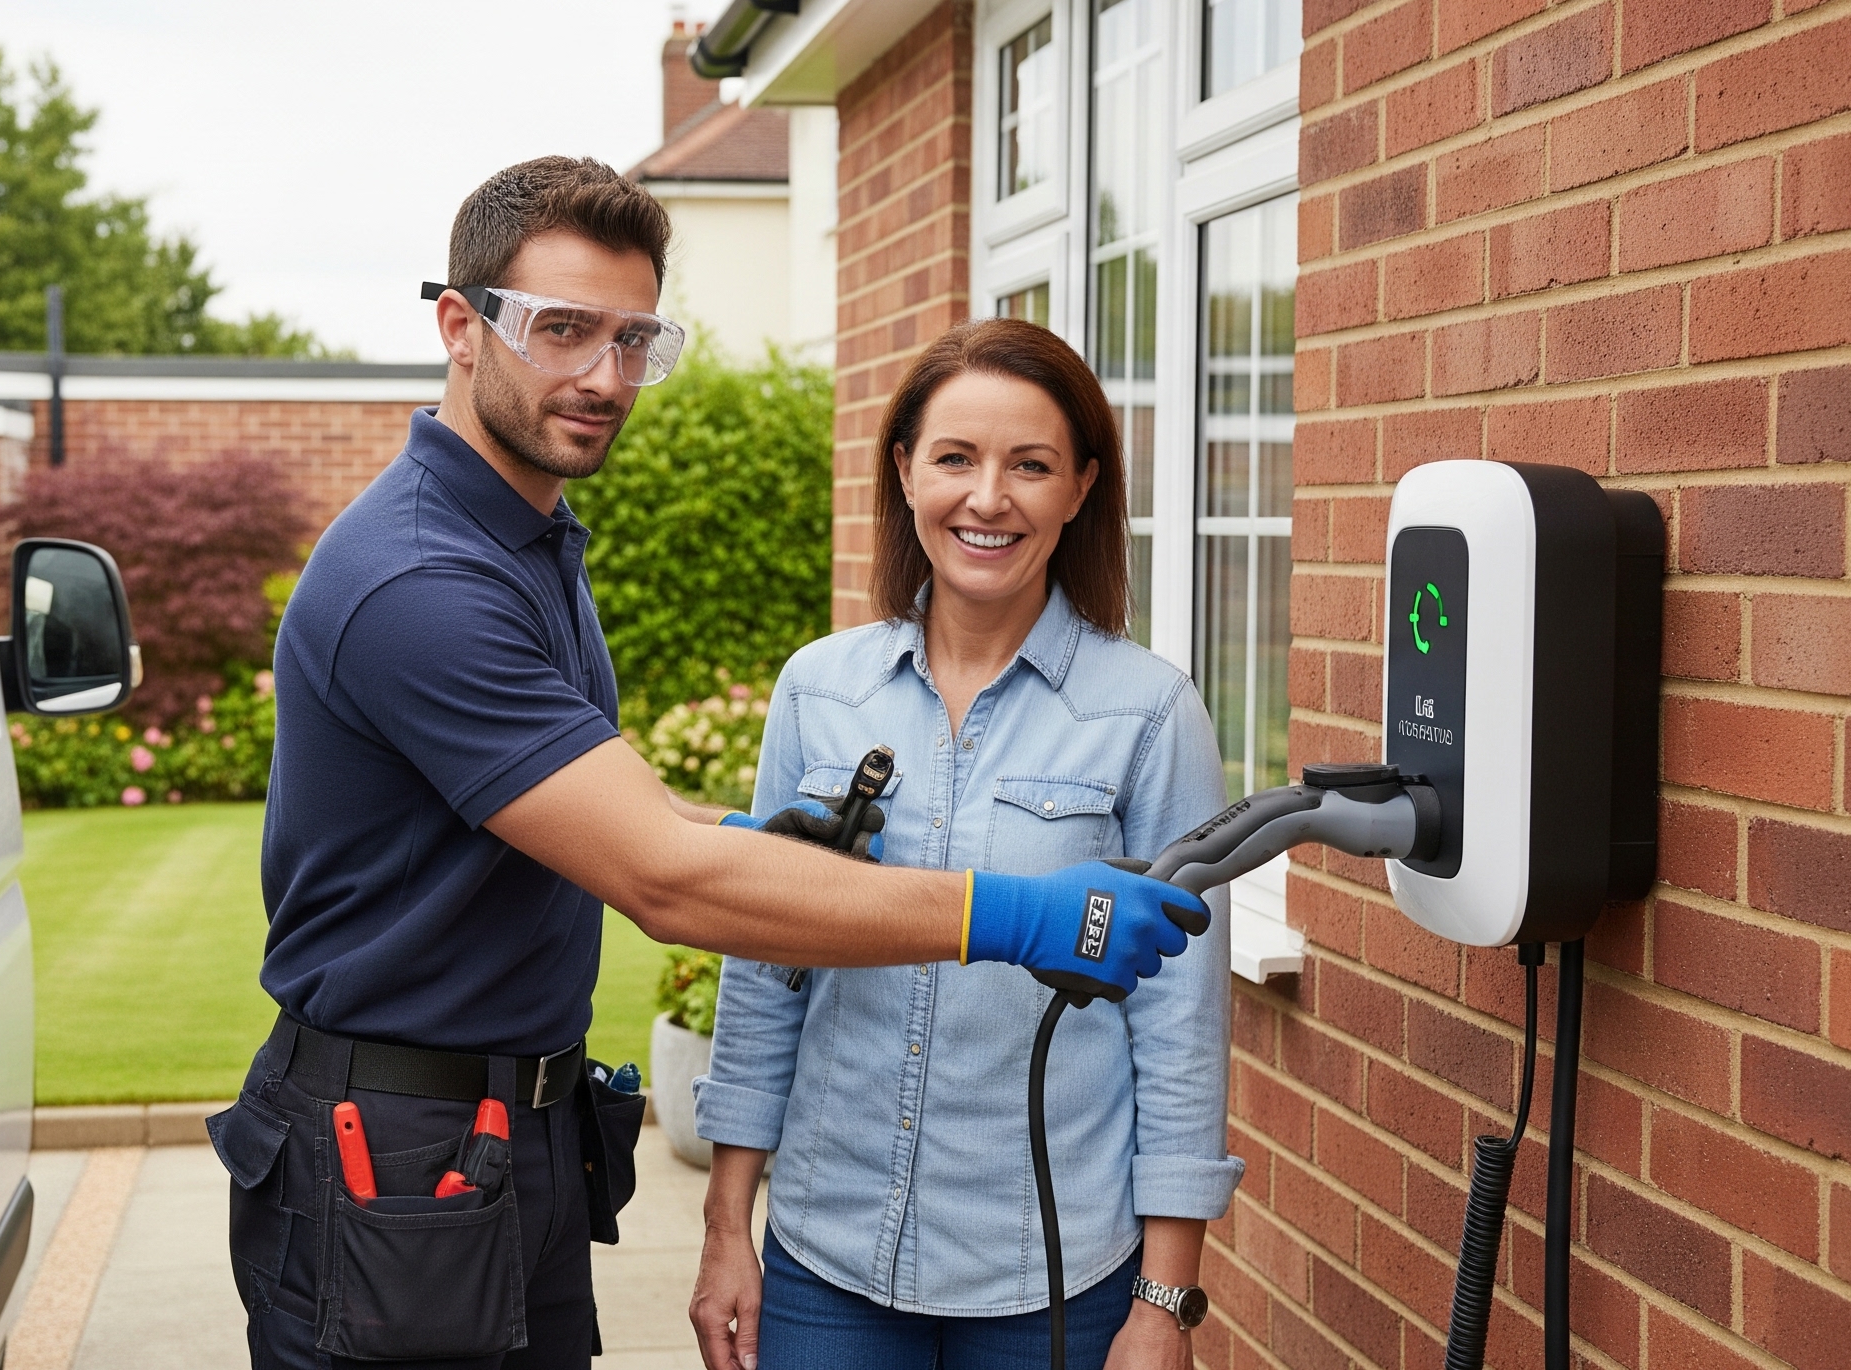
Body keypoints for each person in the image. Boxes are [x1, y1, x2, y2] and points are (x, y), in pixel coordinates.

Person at [208, 157, 1209, 1370]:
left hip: (503, 1141)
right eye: (562, 330)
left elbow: (601, 815)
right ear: (460, 329)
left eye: (634, 339)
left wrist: (754, 842)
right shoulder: (422, 579)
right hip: (397, 1155)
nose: (603, 377)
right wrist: (1013, 913)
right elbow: (665, 884)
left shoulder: (529, 539)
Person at [688, 319, 1242, 1370]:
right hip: (826, 1257)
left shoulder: (1147, 714)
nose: (987, 498)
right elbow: (763, 969)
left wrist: (1161, 1303)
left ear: (1080, 487)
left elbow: (1179, 1023)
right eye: (954, 458)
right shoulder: (819, 690)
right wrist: (727, 1230)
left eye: (1028, 466)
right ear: (904, 471)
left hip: (1054, 1273)